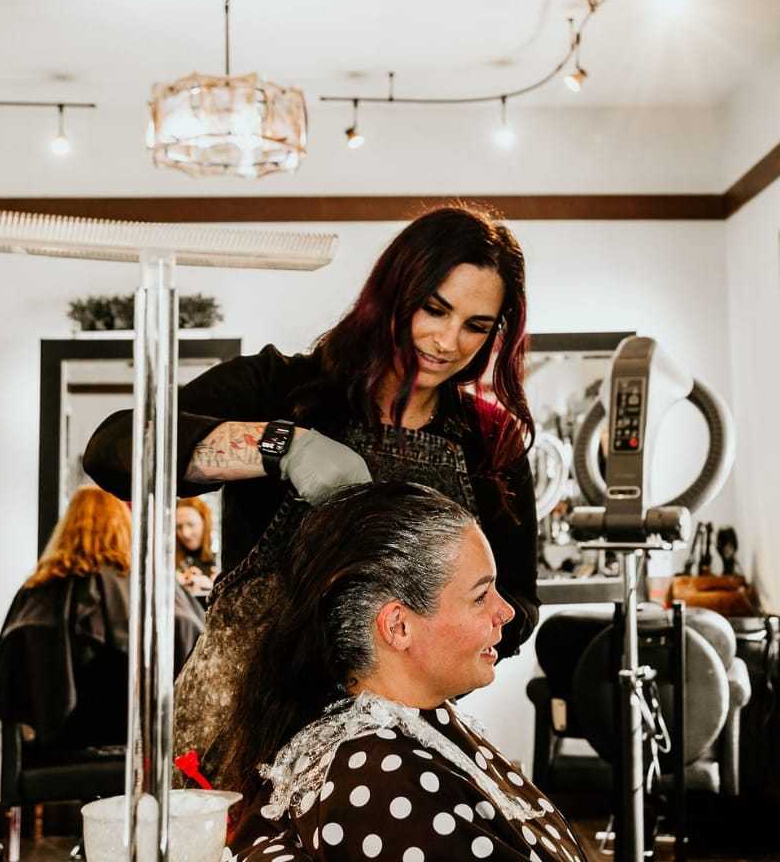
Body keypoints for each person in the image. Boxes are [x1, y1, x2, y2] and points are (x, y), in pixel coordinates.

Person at [83, 204, 539, 783]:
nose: (448, 341)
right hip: (239, 720)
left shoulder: (489, 443)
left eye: (477, 325)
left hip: (394, 738)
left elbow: (518, 603)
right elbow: (115, 447)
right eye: (434, 309)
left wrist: (437, 634)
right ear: (393, 294)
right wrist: (280, 445)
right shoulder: (279, 390)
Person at [226, 482, 586, 862]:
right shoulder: (381, 781)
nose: (507, 612)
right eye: (480, 596)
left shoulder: (402, 732)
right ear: (398, 626)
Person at [0, 485, 203, 751]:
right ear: (125, 527)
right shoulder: (157, 589)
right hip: (141, 749)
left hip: (59, 751)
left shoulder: (38, 592)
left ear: (66, 528)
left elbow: (6, 690)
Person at [176, 496, 218, 600]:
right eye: (179, 527)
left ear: (205, 523)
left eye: (191, 524)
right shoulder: (172, 560)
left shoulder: (220, 558)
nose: (185, 533)